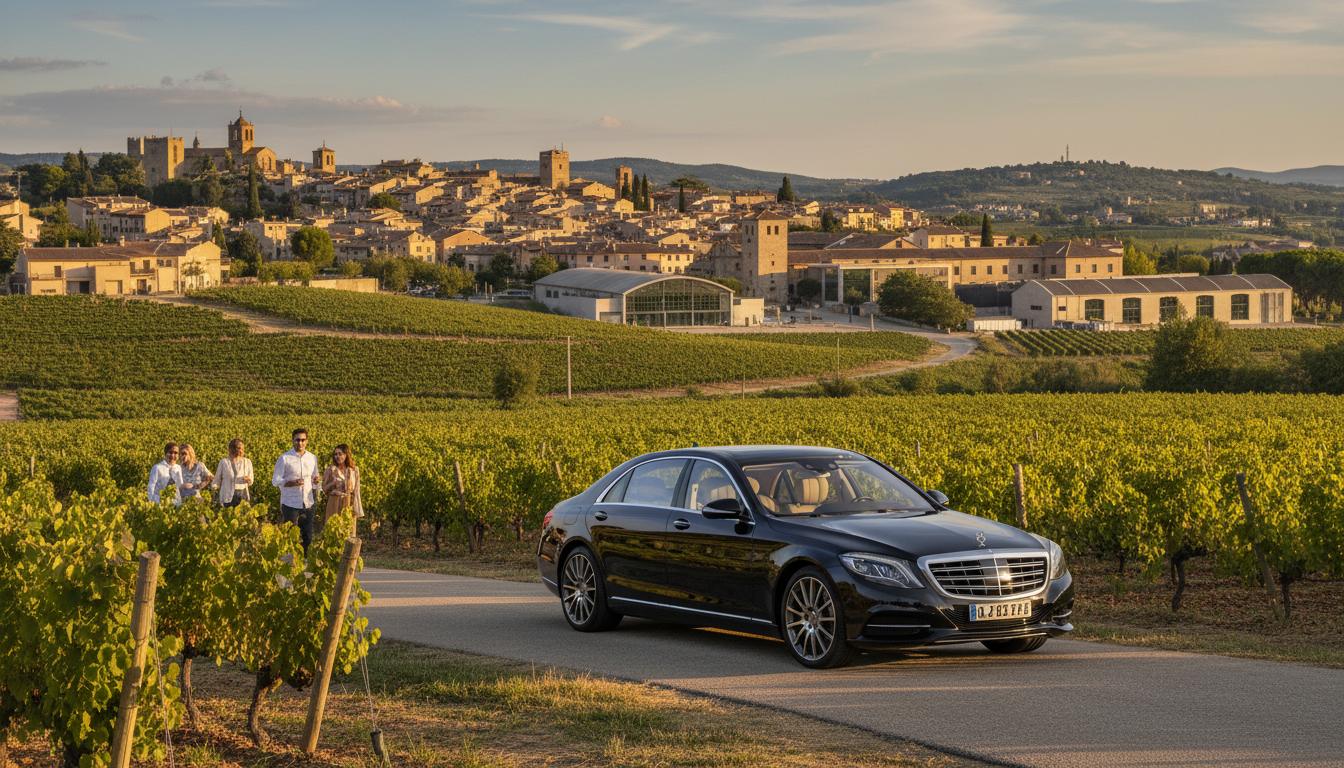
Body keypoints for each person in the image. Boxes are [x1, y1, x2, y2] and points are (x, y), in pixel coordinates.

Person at [272, 427, 320, 551]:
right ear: (292, 441)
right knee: (290, 536)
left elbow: (315, 478)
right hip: (290, 503)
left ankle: (303, 563)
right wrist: (291, 482)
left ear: (307, 441)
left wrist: (316, 481)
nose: (300, 443)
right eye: (297, 440)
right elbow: (275, 480)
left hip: (308, 502)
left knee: (307, 537)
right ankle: (290, 562)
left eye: (303, 440)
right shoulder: (284, 458)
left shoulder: (312, 458)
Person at [321, 443, 363, 532]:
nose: (337, 456)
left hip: (349, 504)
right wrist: (333, 483)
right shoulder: (330, 470)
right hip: (334, 502)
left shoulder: (354, 470)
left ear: (346, 455)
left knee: (348, 531)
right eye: (335, 454)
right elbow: (324, 488)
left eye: (340, 454)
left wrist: (356, 507)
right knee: (333, 531)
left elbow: (357, 490)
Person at [212, 438, 253, 508]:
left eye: (243, 449)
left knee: (242, 518)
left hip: (243, 495)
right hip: (228, 496)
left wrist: (248, 480)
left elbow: (251, 481)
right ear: (232, 449)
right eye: (239, 448)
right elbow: (217, 480)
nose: (242, 451)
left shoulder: (247, 462)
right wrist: (213, 489)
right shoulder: (224, 462)